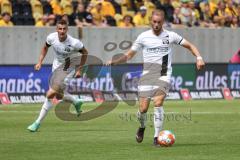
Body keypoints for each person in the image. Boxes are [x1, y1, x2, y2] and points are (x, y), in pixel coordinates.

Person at [106, 9, 205, 146]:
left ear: (163, 22)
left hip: (164, 74)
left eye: (159, 22)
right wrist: (115, 61)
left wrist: (199, 58)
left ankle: (156, 137)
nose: (156, 24)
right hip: (147, 75)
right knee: (143, 109)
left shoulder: (171, 35)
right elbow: (129, 55)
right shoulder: (143, 37)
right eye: (154, 22)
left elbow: (190, 46)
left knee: (158, 103)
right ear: (150, 21)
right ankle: (142, 127)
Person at [27, 19, 88, 132]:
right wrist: (40, 62)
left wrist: (79, 69)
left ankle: (37, 123)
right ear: (57, 29)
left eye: (64, 29)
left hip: (68, 70)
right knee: (59, 96)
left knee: (50, 93)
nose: (62, 31)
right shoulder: (51, 38)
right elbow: (45, 47)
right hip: (56, 67)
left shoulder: (74, 43)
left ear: (67, 29)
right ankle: (76, 101)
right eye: (60, 29)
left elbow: (85, 53)